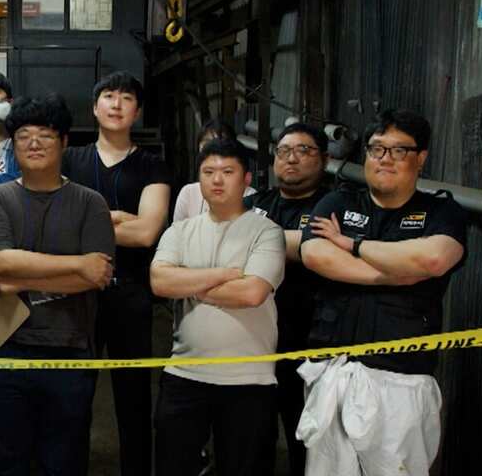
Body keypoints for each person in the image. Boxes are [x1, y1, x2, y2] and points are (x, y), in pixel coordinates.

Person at [298, 109, 466, 476]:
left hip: (402, 381)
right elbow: (315, 255)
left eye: (399, 150)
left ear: (421, 158)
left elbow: (433, 259)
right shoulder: (339, 203)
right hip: (335, 371)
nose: (385, 159)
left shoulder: (441, 211)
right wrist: (395, 274)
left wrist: (353, 245)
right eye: (376, 149)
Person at [0, 93, 115, 476]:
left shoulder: (91, 203)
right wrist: (78, 264)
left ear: (64, 142)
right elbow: (2, 262)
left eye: (46, 135)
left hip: (71, 352)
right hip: (7, 349)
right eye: (23, 135)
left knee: (65, 461)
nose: (33, 143)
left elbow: (98, 276)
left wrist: (19, 280)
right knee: (9, 461)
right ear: (12, 144)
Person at [151, 138, 286, 476]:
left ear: (246, 179)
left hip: (250, 378)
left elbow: (252, 293)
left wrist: (189, 281)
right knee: (172, 466)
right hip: (184, 372)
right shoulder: (179, 231)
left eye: (228, 171)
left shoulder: (267, 232)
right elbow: (160, 282)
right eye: (208, 171)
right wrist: (223, 275)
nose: (217, 179)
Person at [60, 71, 169, 476]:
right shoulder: (70, 160)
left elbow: (146, 234)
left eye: (126, 98)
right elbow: (60, 226)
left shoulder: (152, 166)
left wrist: (89, 222)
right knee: (73, 396)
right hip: (76, 294)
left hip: (131, 295)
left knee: (133, 398)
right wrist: (120, 217)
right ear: (94, 107)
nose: (117, 104)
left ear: (137, 111)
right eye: (108, 96)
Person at [243, 122, 331, 476]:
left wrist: (254, 241)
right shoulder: (255, 203)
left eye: (303, 150)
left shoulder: (333, 205)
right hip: (254, 341)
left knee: (306, 437)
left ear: (324, 159)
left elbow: (316, 249)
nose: (291, 159)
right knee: (253, 436)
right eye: (283, 151)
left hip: (309, 340)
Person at [173, 119, 257, 221]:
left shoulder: (251, 196)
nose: (214, 147)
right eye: (207, 143)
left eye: (227, 171)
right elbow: (178, 229)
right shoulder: (188, 193)